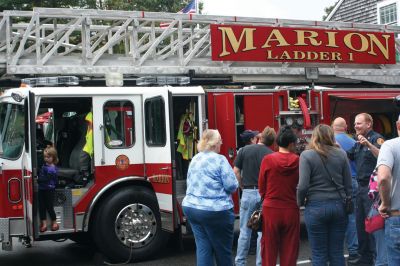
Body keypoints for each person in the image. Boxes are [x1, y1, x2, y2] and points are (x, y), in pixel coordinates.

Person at [182, 129, 238, 266]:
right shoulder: (220, 160)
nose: (221, 143)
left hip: (191, 207)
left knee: (203, 247)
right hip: (215, 210)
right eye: (220, 141)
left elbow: (189, 182)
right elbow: (232, 186)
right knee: (223, 250)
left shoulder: (195, 158)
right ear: (214, 144)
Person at [298, 124, 352, 265]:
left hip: (315, 206)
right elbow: (348, 183)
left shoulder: (306, 155)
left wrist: (300, 202)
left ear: (314, 136)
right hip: (338, 205)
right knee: (337, 252)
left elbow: (303, 185)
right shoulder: (341, 154)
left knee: (319, 254)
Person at [234, 126, 276, 266]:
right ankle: (260, 263)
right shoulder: (270, 154)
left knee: (245, 231)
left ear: (260, 137)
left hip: (248, 192)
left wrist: (241, 186)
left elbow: (236, 171)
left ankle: (240, 262)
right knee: (261, 233)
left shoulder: (244, 150)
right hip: (264, 195)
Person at [259, 126, 300, 266]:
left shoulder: (268, 159)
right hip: (291, 208)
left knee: (269, 249)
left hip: (271, 208)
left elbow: (262, 186)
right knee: (289, 250)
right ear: (291, 143)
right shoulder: (298, 160)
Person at [348, 113, 384, 265]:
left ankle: (377, 259)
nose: (355, 126)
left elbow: (383, 155)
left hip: (372, 191)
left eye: (359, 123)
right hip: (360, 188)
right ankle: (365, 259)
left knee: (373, 226)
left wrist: (369, 145)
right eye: (355, 123)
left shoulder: (377, 139)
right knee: (360, 225)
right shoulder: (357, 142)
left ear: (368, 124)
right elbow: (346, 156)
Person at [332, 117, 359, 263]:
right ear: (346, 127)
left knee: (334, 218)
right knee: (351, 218)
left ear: (332, 127)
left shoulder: (328, 143)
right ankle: (354, 251)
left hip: (335, 184)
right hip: (353, 181)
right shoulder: (353, 142)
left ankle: (335, 251)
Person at [377, 114, 400, 266]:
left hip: (397, 216)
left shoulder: (390, 146)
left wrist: (385, 203)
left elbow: (384, 177)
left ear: (398, 126)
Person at [38, 146, 59, 232]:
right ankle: (44, 223)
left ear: (53, 158)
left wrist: (37, 180)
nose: (46, 159)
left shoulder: (52, 168)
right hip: (41, 189)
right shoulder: (45, 165)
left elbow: (47, 178)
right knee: (41, 206)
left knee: (49, 206)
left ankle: (54, 222)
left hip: (49, 189)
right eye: (45, 157)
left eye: (48, 157)